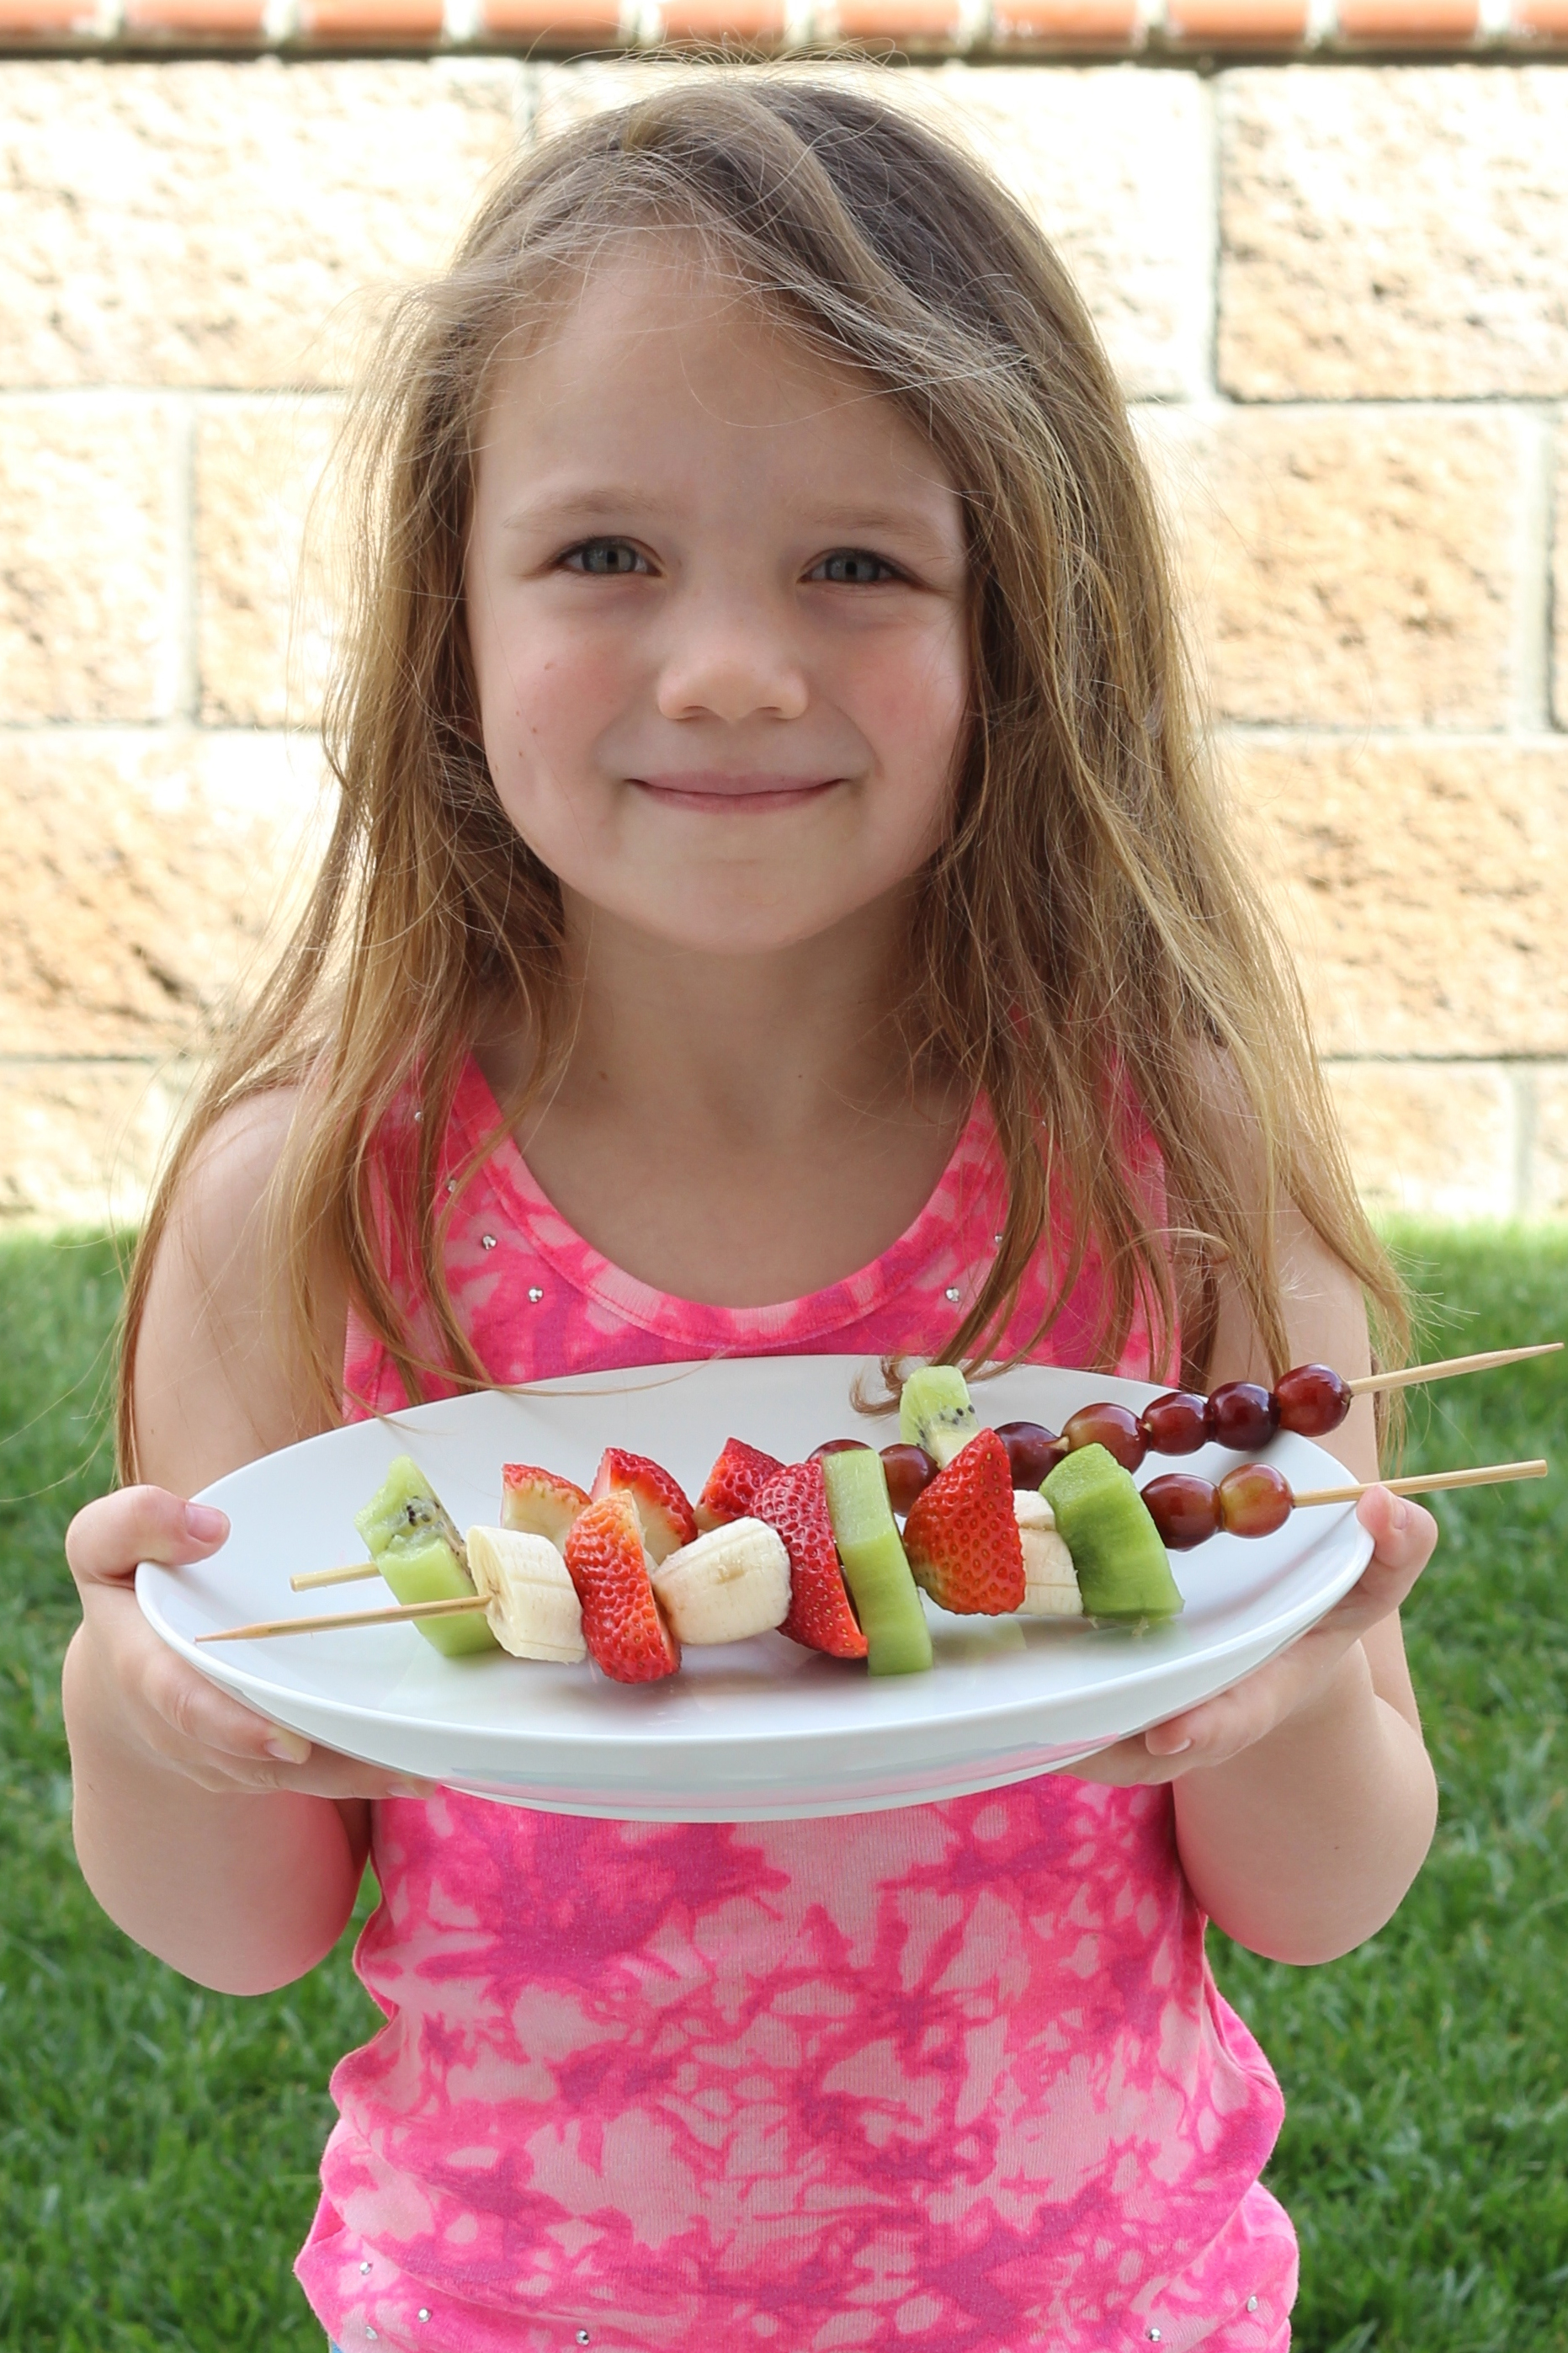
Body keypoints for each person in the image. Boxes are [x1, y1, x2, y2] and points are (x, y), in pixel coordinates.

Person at [61, 77, 1440, 2353]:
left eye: (857, 564)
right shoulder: (302, 1204)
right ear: (450, 618)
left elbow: (1323, 1891)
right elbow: (238, 1923)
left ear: (1026, 618)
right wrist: (148, 1706)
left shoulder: (1168, 1150)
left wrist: (1286, 1680)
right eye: (605, 555)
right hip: (503, 2310)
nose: (725, 665)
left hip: (1106, 2306)